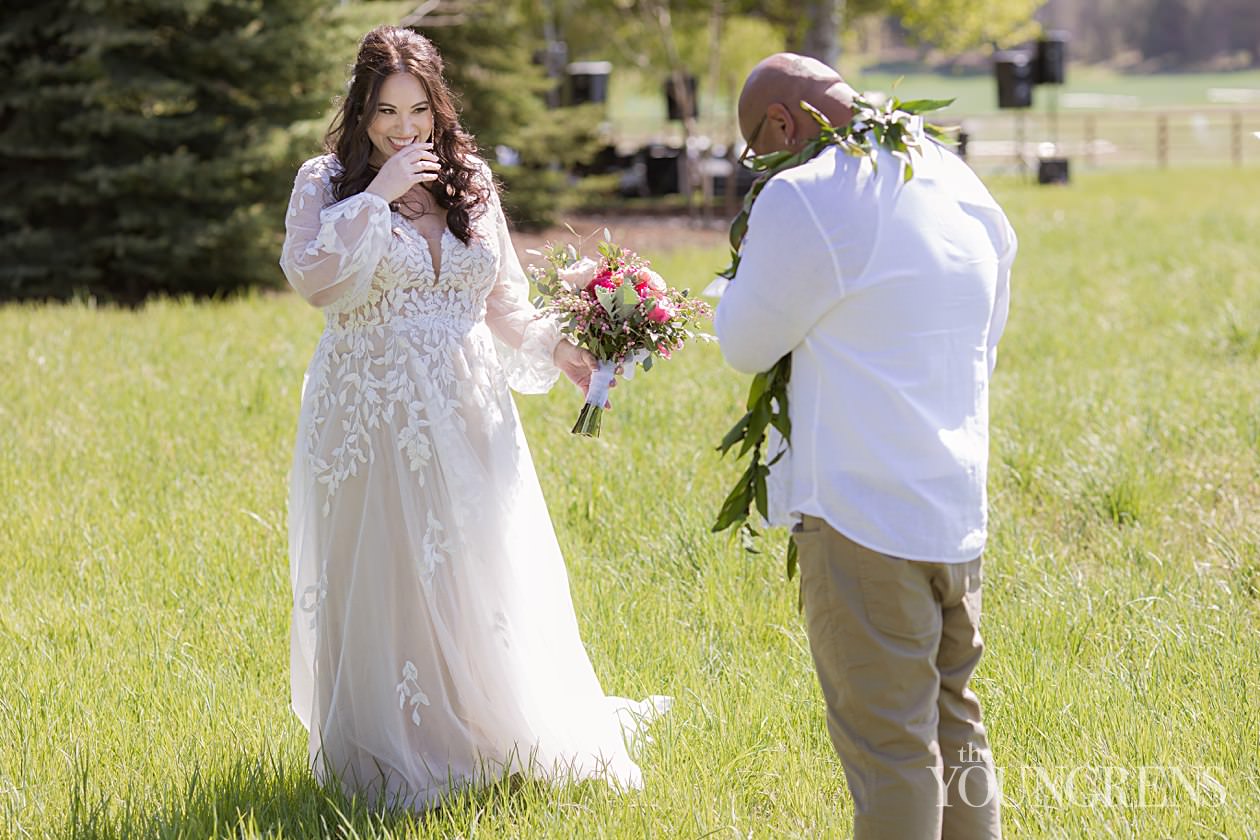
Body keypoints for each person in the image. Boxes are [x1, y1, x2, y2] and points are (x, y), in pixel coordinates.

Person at [278, 25, 667, 810]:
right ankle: (403, 746)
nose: (403, 126)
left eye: (417, 108)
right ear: (360, 109)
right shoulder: (326, 182)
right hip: (372, 410)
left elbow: (501, 302)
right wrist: (377, 195)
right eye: (385, 109)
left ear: (437, 106)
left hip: (467, 404)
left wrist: (564, 349)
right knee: (388, 573)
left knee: (476, 564)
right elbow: (313, 278)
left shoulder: (471, 181)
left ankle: (499, 729)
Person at [714, 54, 1015, 839]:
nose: (764, 165)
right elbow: (990, 334)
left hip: (861, 514)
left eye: (758, 148)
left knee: (891, 755)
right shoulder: (951, 176)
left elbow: (746, 341)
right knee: (958, 730)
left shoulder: (807, 196)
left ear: (782, 124)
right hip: (955, 506)